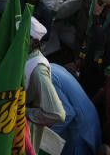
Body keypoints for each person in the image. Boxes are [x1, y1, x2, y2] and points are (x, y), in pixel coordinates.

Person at [25, 18, 66, 149]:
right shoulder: (24, 57)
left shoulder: (38, 68)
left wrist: (25, 112)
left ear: (31, 40)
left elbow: (56, 113)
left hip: (24, 135)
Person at [49, 64, 103, 155]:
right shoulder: (51, 66)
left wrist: (46, 136)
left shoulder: (48, 78)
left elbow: (67, 114)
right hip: (85, 128)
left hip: (79, 136)